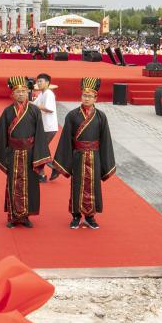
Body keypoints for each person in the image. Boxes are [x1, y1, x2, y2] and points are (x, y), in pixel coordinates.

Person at [52, 78, 117, 230]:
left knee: (93, 186)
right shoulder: (72, 116)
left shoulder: (101, 117)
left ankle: (90, 217)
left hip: (95, 157)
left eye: (90, 96)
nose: (86, 98)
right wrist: (65, 161)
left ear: (96, 98)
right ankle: (76, 216)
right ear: (81, 96)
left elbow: (105, 140)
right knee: (77, 185)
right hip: (78, 157)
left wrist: (105, 162)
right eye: (84, 95)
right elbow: (66, 140)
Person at [0, 76, 50, 228]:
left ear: (28, 92)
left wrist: (38, 157)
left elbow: (40, 135)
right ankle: (13, 217)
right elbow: (1, 135)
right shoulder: (7, 112)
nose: (21, 94)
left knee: (29, 185)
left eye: (23, 91)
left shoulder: (34, 111)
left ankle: (26, 217)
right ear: (12, 94)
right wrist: (4, 155)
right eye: (18, 92)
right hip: (13, 153)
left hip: (29, 154)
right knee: (13, 184)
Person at [33, 73, 59, 180]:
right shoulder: (41, 94)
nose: (38, 83)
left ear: (47, 83)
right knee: (40, 150)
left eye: (41, 81)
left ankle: (52, 169)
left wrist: (36, 106)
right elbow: (33, 104)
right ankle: (42, 174)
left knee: (40, 149)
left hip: (49, 127)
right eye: (37, 81)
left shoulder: (49, 93)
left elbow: (49, 108)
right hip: (44, 127)